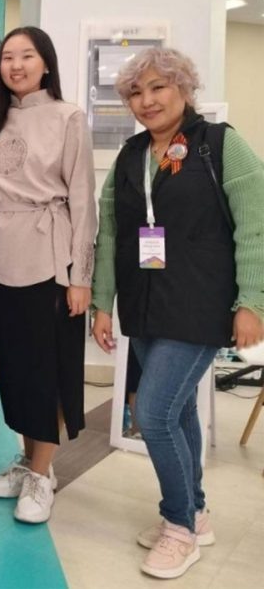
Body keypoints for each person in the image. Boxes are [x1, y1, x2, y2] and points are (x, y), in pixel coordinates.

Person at [91, 47, 264, 580]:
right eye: (135, 93)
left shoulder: (220, 144)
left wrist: (253, 302)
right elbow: (110, 232)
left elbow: (255, 226)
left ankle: (179, 527)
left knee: (153, 413)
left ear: (184, 89)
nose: (146, 101)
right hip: (144, 304)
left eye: (157, 88)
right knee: (180, 409)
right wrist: (101, 302)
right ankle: (196, 512)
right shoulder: (130, 156)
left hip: (200, 302)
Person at [0, 26, 96, 524]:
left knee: (46, 368)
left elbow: (83, 201)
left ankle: (44, 474)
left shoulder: (68, 116)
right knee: (16, 368)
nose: (16, 65)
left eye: (27, 56)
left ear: (46, 63)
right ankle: (28, 461)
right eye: (8, 57)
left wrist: (80, 275)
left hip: (50, 258)